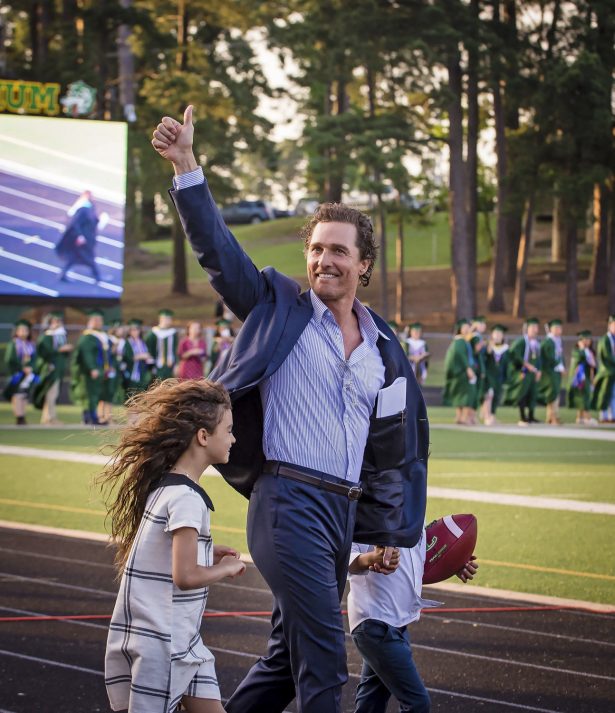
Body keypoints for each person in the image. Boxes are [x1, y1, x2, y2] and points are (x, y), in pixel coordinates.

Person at [152, 105, 429, 713]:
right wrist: (187, 167)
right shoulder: (279, 307)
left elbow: (393, 454)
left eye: (339, 252)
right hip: (286, 502)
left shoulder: (387, 350)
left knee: (285, 661)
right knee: (325, 659)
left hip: (341, 513)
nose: (325, 260)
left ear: (363, 265)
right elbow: (221, 256)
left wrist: (387, 533)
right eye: (317, 249)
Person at [99, 378, 246, 713]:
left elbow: (169, 554)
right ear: (203, 436)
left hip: (184, 641)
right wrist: (224, 568)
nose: (234, 438)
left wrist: (209, 550)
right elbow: (185, 576)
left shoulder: (168, 487)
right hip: (164, 645)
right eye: (229, 429)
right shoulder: (186, 499)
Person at [348, 534, 478, 713]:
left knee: (371, 702)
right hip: (375, 622)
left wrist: (453, 562)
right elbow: (341, 555)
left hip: (397, 622)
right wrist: (370, 559)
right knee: (417, 704)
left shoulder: (414, 509)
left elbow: (415, 560)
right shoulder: (364, 508)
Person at [55, 190, 107, 283]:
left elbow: (92, 222)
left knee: (74, 258)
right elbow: (75, 224)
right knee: (89, 257)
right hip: (83, 239)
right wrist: (80, 236)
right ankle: (97, 277)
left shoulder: (90, 208)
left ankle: (63, 275)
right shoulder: (83, 209)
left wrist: (102, 220)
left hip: (88, 238)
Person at [31, 311, 74, 425]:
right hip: (49, 369)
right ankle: (50, 418)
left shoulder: (60, 336)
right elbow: (44, 352)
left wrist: (66, 350)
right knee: (51, 393)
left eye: (59, 321)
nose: (58, 324)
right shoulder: (46, 336)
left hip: (58, 369)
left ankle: (46, 417)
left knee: (52, 394)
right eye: (55, 321)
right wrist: (61, 349)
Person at [70, 308, 111, 425]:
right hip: (90, 371)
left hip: (101, 370)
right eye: (96, 320)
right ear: (91, 321)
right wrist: (92, 368)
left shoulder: (101, 335)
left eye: (100, 320)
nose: (99, 322)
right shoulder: (87, 337)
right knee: (90, 394)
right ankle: (90, 417)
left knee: (96, 394)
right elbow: (87, 355)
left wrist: (108, 366)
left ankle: (90, 417)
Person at [503, 317, 542, 426]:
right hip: (523, 372)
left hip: (533, 373)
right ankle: (522, 417)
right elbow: (513, 354)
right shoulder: (521, 341)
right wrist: (525, 365)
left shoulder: (536, 343)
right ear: (527, 329)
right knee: (523, 394)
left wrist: (539, 370)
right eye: (532, 327)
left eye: (536, 327)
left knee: (532, 394)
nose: (535, 329)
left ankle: (531, 416)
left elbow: (538, 359)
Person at [442, 318, 477, 425]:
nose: (467, 329)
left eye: (467, 327)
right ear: (459, 329)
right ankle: (464, 418)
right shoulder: (460, 342)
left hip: (459, 372)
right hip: (463, 372)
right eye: (464, 327)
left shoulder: (459, 341)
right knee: (466, 395)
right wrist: (468, 369)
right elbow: (463, 357)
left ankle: (459, 417)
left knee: (460, 396)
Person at [3, 318, 38, 426]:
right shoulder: (13, 344)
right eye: (21, 330)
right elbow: (10, 359)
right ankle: (19, 417)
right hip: (17, 374)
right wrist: (22, 368)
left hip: (29, 375)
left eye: (26, 330)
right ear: (17, 332)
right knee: (17, 394)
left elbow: (34, 359)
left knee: (24, 395)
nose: (23, 332)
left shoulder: (30, 345)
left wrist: (31, 368)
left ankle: (23, 415)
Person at [539, 319, 566, 425]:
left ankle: (552, 416)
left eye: (560, 328)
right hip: (550, 372)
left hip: (556, 371)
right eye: (556, 328)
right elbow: (550, 358)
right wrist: (560, 367)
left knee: (555, 394)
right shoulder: (548, 342)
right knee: (552, 394)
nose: (559, 330)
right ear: (551, 329)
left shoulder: (557, 341)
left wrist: (562, 366)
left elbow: (560, 356)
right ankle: (553, 416)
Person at [481, 324, 509, 425]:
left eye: (500, 333)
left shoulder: (505, 349)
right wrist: (488, 349)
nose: (497, 335)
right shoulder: (487, 346)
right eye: (495, 333)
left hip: (499, 377)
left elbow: (507, 364)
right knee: (489, 395)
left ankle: (492, 415)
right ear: (492, 335)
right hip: (489, 376)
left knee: (496, 396)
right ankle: (487, 416)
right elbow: (483, 358)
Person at [567, 330, 597, 425]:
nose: (587, 341)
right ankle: (586, 417)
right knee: (582, 396)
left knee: (585, 396)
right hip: (579, 377)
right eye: (585, 339)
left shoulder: (590, 351)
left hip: (587, 376)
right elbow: (579, 358)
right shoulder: (576, 351)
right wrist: (582, 349)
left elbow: (593, 365)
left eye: (589, 339)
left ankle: (581, 417)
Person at [122, 318, 154, 399]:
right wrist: (142, 356)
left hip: (142, 372)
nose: (135, 332)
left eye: (137, 329)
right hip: (132, 372)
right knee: (131, 394)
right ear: (129, 331)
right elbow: (129, 357)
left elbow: (148, 354)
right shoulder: (127, 342)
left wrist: (146, 357)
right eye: (133, 330)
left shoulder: (142, 342)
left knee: (141, 394)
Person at [591, 314, 615, 423]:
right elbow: (606, 356)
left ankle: (612, 415)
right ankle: (603, 415)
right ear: (609, 326)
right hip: (607, 371)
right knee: (605, 394)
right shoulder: (605, 340)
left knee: (613, 394)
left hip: (613, 372)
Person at [146, 308, 179, 381]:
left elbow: (175, 349)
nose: (170, 321)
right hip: (157, 365)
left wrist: (176, 364)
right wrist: (151, 366)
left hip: (170, 365)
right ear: (162, 319)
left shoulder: (173, 333)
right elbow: (149, 349)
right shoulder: (153, 333)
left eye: (170, 319)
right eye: (168, 319)